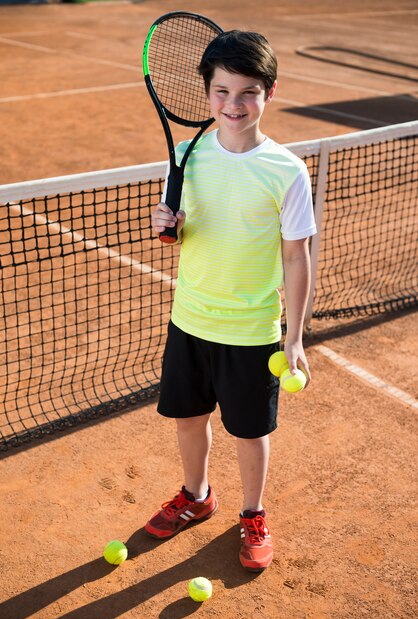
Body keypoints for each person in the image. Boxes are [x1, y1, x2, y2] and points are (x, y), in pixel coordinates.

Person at [146, 30, 317, 572]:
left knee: (250, 433)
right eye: (221, 91)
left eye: (248, 92)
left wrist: (293, 336)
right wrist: (167, 225)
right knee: (188, 419)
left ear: (270, 92)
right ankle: (196, 496)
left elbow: (296, 256)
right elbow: (180, 231)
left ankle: (252, 513)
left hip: (251, 331)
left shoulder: (287, 171)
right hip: (190, 319)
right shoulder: (184, 156)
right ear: (207, 94)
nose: (233, 104)